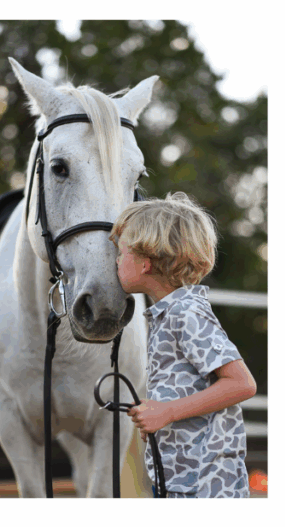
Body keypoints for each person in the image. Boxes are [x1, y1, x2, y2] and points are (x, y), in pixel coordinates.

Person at [112, 192, 257, 498]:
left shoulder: (185, 313)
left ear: (145, 264)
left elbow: (242, 384)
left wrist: (167, 412)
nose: (115, 260)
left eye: (121, 252)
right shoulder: (168, 314)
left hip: (207, 482)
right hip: (181, 477)